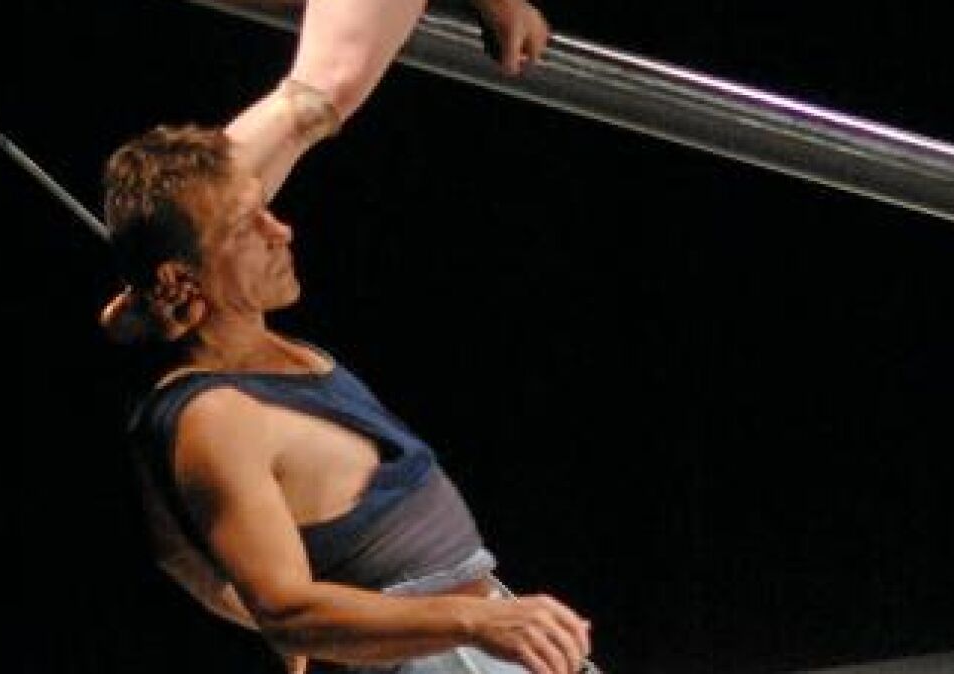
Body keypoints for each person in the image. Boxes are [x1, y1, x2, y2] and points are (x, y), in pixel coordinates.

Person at [99, 1, 595, 673]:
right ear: (181, 283)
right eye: (249, 227)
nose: (283, 230)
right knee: (318, 97)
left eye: (266, 210)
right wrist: (471, 621)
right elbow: (285, 612)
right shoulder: (215, 417)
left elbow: (179, 554)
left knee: (310, 106)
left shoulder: (249, 355)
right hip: (450, 649)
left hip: (480, 637)